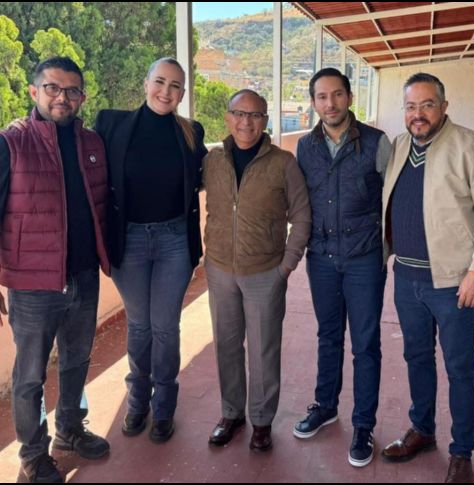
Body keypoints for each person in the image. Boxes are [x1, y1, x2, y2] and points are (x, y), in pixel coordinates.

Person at [0, 57, 111, 483]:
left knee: (76, 361)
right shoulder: (9, 144)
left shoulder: (91, 144)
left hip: (83, 276)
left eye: (72, 91)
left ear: (82, 97)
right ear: (34, 91)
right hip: (33, 286)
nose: (62, 97)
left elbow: (103, 205)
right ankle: (33, 454)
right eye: (53, 88)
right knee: (29, 376)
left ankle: (69, 430)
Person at [380, 73, 474, 483]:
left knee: (461, 369)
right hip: (406, 277)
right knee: (416, 358)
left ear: (444, 106)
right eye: (410, 106)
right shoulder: (401, 146)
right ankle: (422, 429)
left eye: (426, 105)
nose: (418, 114)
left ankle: (462, 454)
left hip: (454, 282)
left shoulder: (472, 147)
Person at [93, 57, 207, 443]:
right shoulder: (111, 124)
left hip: (176, 240)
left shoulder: (191, 132)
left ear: (183, 93)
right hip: (131, 241)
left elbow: (212, 174)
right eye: (160, 82)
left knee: (165, 327)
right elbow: (71, 144)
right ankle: (137, 402)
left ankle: (163, 409)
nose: (166, 91)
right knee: (140, 326)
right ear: (145, 83)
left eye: (175, 86)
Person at [293, 67, 392, 467]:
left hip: (364, 257)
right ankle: (325, 405)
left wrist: (388, 249)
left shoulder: (376, 142)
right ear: (313, 102)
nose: (329, 103)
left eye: (336, 95)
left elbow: (394, 196)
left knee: (365, 343)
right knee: (328, 335)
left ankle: (363, 425)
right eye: (321, 96)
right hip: (321, 258)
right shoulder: (305, 147)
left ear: (349, 97)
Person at [203, 89, 311, 451]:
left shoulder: (284, 163)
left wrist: (286, 265)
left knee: (264, 349)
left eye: (255, 115)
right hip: (220, 269)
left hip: (266, 272)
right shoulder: (212, 160)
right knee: (227, 345)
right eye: (239, 113)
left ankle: (262, 421)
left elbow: (302, 215)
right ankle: (231, 413)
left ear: (265, 121)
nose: (246, 121)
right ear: (227, 117)